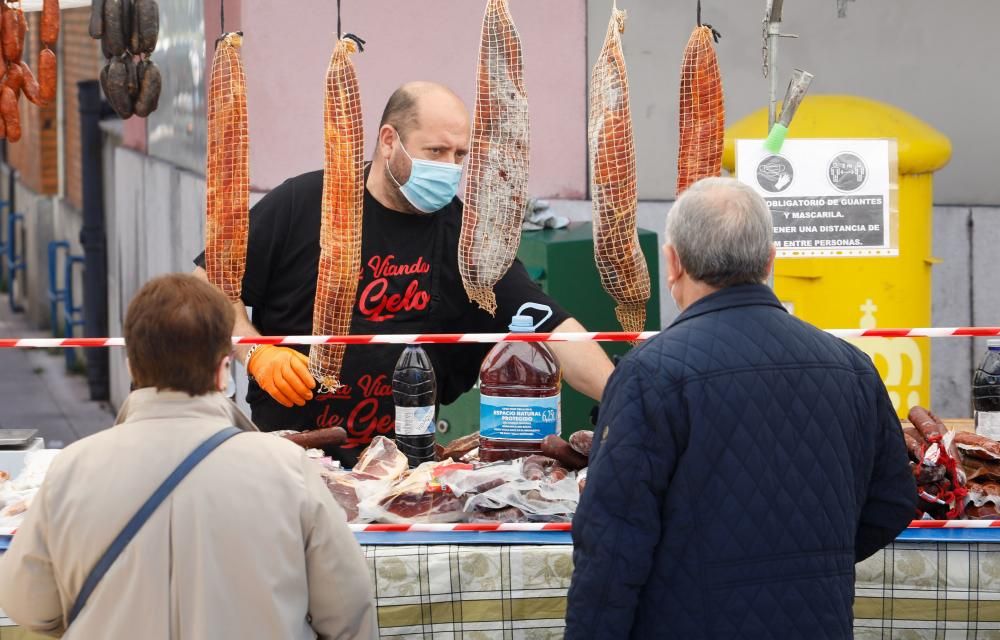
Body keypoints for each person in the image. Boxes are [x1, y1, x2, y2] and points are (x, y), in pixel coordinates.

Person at [564, 178, 916, 639]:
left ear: (672, 263)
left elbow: (611, 544)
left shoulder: (650, 373)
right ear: (770, 261)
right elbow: (892, 502)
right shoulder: (851, 367)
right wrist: (810, 561)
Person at [194, 81, 615, 466]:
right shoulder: (302, 203)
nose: (450, 168)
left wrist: (624, 397)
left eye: (459, 155)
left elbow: (551, 326)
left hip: (402, 472)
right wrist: (255, 351)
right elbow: (206, 284)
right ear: (389, 141)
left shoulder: (462, 236)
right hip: (290, 460)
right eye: (436, 151)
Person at [0, 274, 377, 639]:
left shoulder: (71, 469)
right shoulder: (287, 468)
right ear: (223, 371)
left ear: (131, 364)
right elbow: (348, 613)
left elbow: (28, 606)